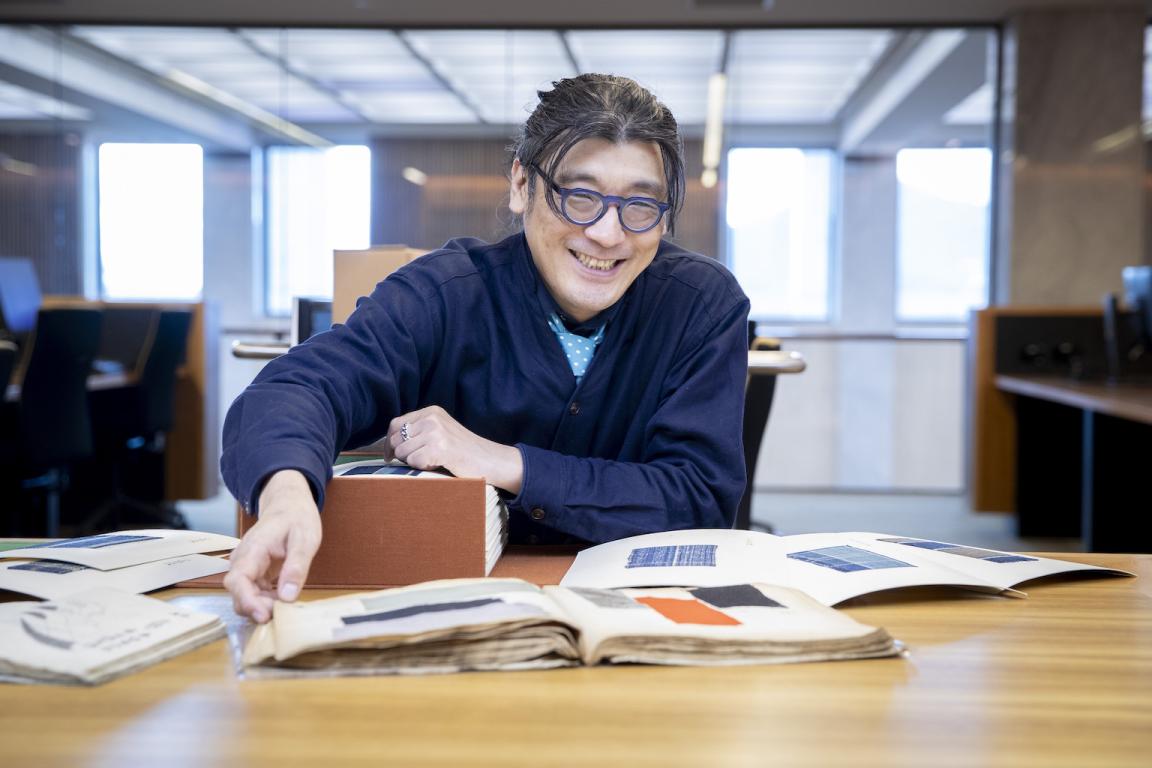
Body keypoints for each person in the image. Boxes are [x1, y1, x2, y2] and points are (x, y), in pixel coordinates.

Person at [221, 73, 751, 622]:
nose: (608, 234)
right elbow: (295, 388)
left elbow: (699, 496)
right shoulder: (443, 293)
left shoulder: (701, 305)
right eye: (580, 196)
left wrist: (504, 462)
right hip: (449, 609)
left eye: (641, 205)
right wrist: (284, 493)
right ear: (523, 184)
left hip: (636, 613)